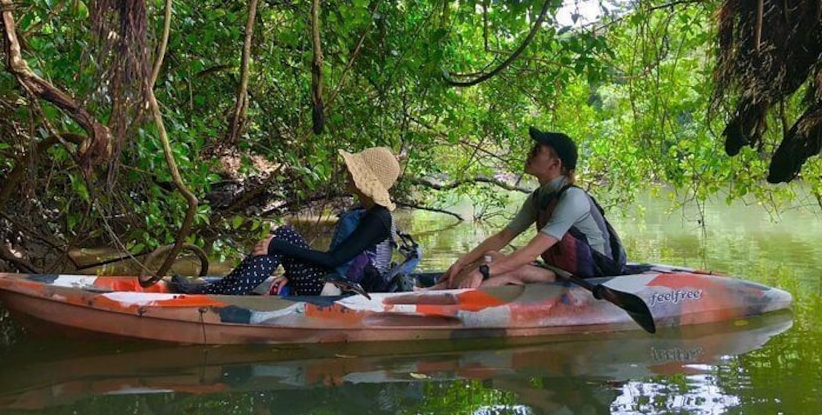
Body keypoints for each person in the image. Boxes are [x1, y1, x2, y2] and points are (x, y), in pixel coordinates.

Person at [170, 147, 401, 296]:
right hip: (331, 282)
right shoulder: (367, 210)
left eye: (352, 170)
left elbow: (333, 260)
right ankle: (221, 288)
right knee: (282, 234)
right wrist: (289, 272)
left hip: (343, 293)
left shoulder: (379, 218)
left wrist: (278, 248)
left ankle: (215, 292)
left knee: (279, 241)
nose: (347, 172)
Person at [434, 127, 626, 289]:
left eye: (536, 151)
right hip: (559, 272)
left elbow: (531, 252)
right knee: (490, 256)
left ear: (555, 164)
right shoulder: (538, 197)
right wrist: (462, 262)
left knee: (515, 270)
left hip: (593, 277)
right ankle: (432, 290)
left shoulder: (573, 198)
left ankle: (447, 298)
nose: (528, 154)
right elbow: (503, 237)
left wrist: (483, 271)